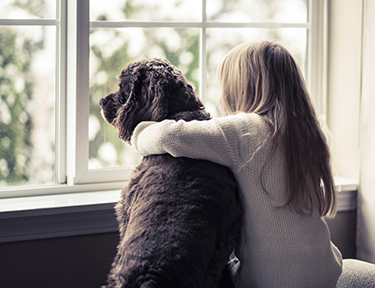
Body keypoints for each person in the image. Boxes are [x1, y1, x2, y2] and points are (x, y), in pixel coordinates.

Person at [131, 41, 343, 287]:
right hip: (326, 271)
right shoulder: (309, 132)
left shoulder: (246, 131)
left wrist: (137, 132)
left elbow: (167, 136)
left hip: (271, 280)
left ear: (241, 89)